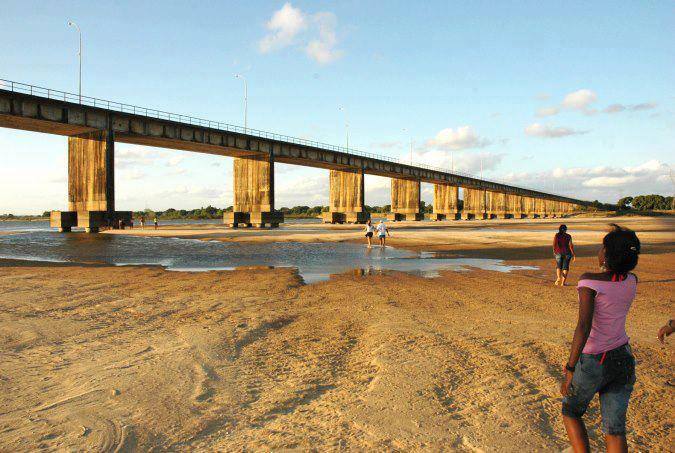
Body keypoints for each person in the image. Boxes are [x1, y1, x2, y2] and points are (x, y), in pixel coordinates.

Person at [560, 224, 641, 453]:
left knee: (571, 411)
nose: (600, 251)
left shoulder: (589, 282)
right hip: (623, 358)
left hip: (595, 360)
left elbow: (583, 327)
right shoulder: (632, 281)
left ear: (607, 255)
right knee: (614, 429)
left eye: (603, 247)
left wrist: (570, 368)